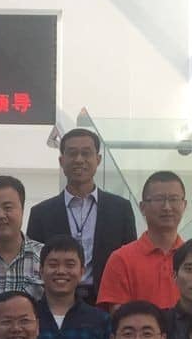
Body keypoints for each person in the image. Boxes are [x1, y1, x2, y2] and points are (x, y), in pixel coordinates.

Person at [26, 127, 138, 296]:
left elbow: (130, 259)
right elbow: (35, 266)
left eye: (86, 153)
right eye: (72, 153)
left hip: (106, 299)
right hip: (57, 299)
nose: (79, 159)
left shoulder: (120, 209)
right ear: (61, 160)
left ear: (98, 159)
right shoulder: (41, 213)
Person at [95, 170, 189, 310]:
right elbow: (118, 316)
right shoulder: (121, 259)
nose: (167, 207)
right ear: (143, 207)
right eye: (159, 199)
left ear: (184, 205)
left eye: (174, 199)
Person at [33, 237, 117, 339]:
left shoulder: (99, 321)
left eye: (70, 265)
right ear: (41, 271)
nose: (61, 271)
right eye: (53, 265)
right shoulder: (29, 318)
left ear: (82, 272)